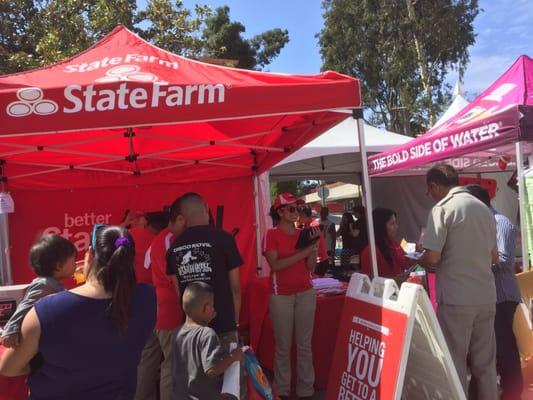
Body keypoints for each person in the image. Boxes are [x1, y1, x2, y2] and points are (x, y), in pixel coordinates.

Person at [0, 226, 156, 400]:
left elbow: (9, 367)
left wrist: (40, 360)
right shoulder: (147, 298)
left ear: (89, 254)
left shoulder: (46, 310)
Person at [418, 164, 498, 400]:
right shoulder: (484, 209)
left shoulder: (441, 209)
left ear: (434, 185)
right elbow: (494, 256)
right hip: (485, 296)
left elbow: (432, 258)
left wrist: (422, 256)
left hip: (456, 298)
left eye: (429, 190)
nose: (430, 195)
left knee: (455, 364)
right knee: (486, 365)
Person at [166, 192, 244, 392]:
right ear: (206, 208)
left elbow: (179, 295)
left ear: (183, 217)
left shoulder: (174, 249)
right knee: (230, 388)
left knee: (198, 387)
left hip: (192, 331)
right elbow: (235, 288)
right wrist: (234, 322)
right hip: (224, 325)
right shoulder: (225, 239)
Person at [465, 184, 523, 400]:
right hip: (486, 297)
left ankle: (513, 392)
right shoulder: (479, 224)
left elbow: (504, 259)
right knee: (491, 349)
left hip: (502, 297)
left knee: (506, 348)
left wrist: (470, 264)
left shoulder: (500, 223)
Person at [263, 193, 319, 400]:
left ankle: (306, 390)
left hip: (305, 291)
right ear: (280, 211)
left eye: (299, 208)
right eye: (292, 208)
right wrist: (306, 252)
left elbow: (311, 267)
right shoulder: (271, 234)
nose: (297, 212)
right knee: (283, 346)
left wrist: (312, 250)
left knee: (305, 345)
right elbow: (276, 265)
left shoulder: (303, 233)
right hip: (281, 295)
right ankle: (282, 390)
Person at [0, 234, 77, 348]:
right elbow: (25, 306)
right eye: (73, 261)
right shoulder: (44, 284)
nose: (76, 265)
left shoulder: (52, 283)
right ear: (59, 266)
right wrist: (11, 330)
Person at [172, 281, 244, 400]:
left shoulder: (176, 333)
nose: (214, 309)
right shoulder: (206, 334)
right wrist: (234, 356)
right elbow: (211, 370)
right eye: (212, 305)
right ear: (205, 308)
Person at [134, 211, 177, 400]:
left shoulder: (153, 242)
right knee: (172, 362)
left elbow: (145, 270)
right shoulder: (166, 240)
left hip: (149, 306)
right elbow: (172, 278)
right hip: (166, 308)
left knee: (148, 358)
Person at [360, 208, 408, 278]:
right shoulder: (370, 251)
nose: (396, 227)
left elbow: (405, 263)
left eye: (395, 223)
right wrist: (394, 280)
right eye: (392, 223)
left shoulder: (394, 244)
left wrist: (418, 254)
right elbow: (369, 281)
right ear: (381, 226)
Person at [297, 205, 329, 275]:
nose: (298, 218)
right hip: (316, 259)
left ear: (304, 215)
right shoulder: (306, 225)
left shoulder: (314, 225)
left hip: (320, 260)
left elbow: (316, 245)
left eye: (299, 216)